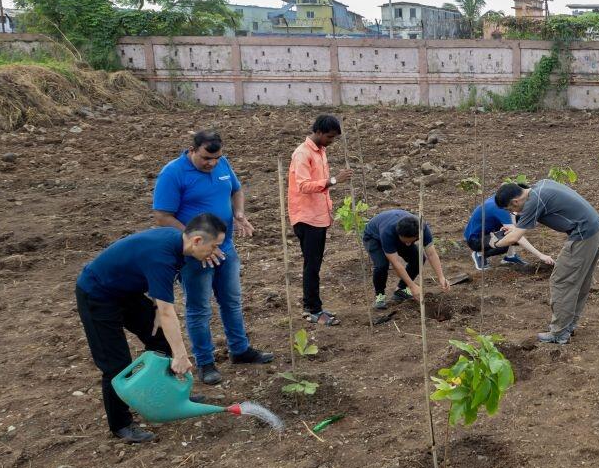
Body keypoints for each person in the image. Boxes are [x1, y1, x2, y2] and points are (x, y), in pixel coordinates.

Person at [76, 214, 227, 443]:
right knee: (116, 364)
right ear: (197, 240)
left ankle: (169, 397)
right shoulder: (162, 257)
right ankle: (121, 425)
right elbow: (168, 312)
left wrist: (156, 308)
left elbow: (157, 288)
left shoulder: (178, 244)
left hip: (126, 292)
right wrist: (181, 355)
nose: (215, 251)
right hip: (97, 294)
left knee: (159, 339)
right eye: (214, 246)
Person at [152, 131, 274, 386]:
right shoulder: (173, 173)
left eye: (216, 158)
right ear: (193, 149)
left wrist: (239, 214)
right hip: (196, 255)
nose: (212, 163)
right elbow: (163, 217)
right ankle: (205, 361)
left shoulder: (223, 163)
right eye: (207, 158)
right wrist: (199, 242)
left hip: (225, 247)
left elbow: (236, 190)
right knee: (199, 308)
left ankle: (239, 350)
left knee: (232, 300)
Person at [493, 180, 599, 344]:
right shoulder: (542, 185)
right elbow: (536, 216)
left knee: (561, 281)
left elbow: (516, 237)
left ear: (516, 201)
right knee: (579, 281)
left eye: (511, 209)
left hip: (583, 236)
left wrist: (494, 244)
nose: (513, 212)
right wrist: (516, 228)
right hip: (597, 229)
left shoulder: (533, 201)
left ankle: (559, 332)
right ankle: (568, 326)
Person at [288, 114, 353, 326]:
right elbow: (304, 185)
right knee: (312, 265)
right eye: (329, 137)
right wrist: (334, 180)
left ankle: (315, 306)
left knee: (315, 263)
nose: (331, 141)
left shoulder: (321, 151)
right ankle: (312, 309)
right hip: (307, 218)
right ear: (318, 132)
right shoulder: (302, 154)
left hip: (319, 216)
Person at [364, 210, 449, 308]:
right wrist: (412, 286)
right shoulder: (387, 232)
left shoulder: (422, 229)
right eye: (406, 241)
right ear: (398, 234)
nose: (408, 244)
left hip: (399, 236)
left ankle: (401, 289)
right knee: (381, 265)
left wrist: (441, 277)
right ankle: (380, 295)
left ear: (417, 235)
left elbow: (432, 254)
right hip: (374, 237)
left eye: (412, 241)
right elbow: (396, 264)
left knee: (418, 258)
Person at [464, 194, 555, 270]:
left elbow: (513, 225)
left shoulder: (501, 199)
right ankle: (480, 254)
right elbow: (515, 235)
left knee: (516, 225)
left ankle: (510, 257)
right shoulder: (500, 209)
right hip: (475, 240)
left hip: (487, 231)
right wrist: (541, 255)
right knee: (507, 241)